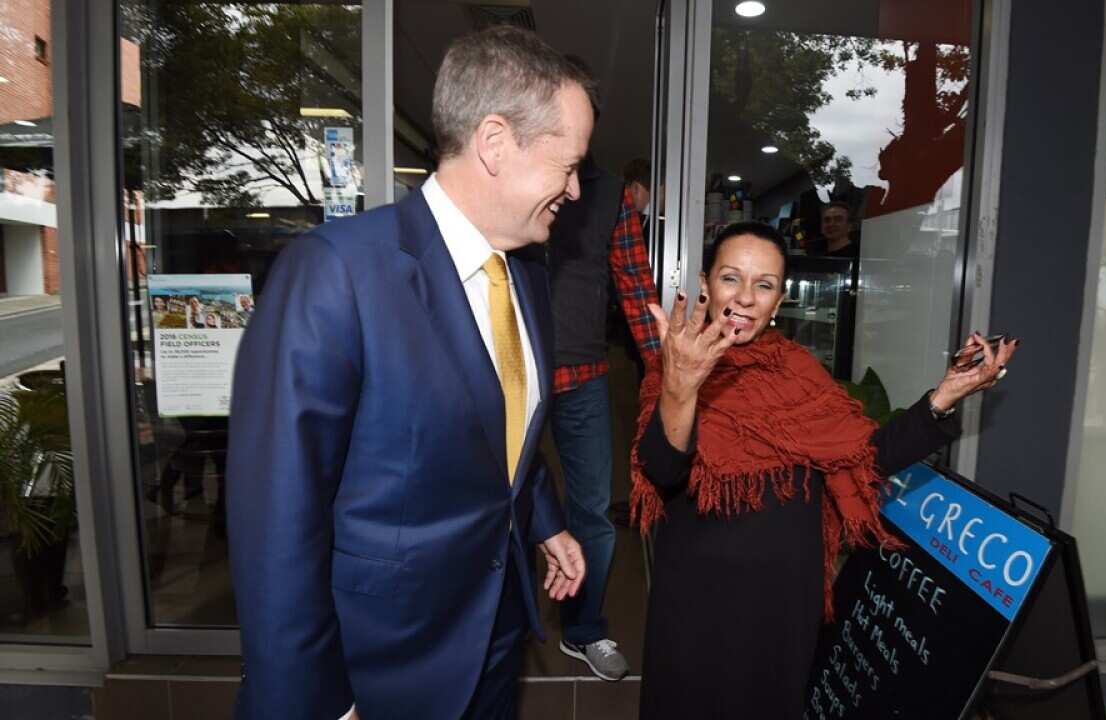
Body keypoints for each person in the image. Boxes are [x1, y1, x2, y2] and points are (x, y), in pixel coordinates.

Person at [226, 26, 594, 720]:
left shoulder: (527, 275)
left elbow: (498, 426)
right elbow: (276, 518)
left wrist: (545, 522)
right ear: (494, 142)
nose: (574, 191)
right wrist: (315, 701)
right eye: (568, 165)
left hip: (494, 637)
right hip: (378, 668)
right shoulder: (335, 272)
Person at [630, 221, 1017, 719]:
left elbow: (865, 458)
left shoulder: (800, 373)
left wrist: (943, 397)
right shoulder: (674, 367)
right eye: (731, 278)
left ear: (779, 300)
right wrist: (682, 387)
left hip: (785, 605)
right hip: (701, 607)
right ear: (705, 284)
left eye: (764, 285)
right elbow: (662, 470)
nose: (745, 297)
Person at [544, 59, 661, 680]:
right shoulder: (510, 172)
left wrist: (667, 373)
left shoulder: (610, 193)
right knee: (493, 506)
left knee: (591, 510)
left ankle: (584, 629)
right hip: (507, 373)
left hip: (583, 376)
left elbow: (634, 285)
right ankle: (486, 634)